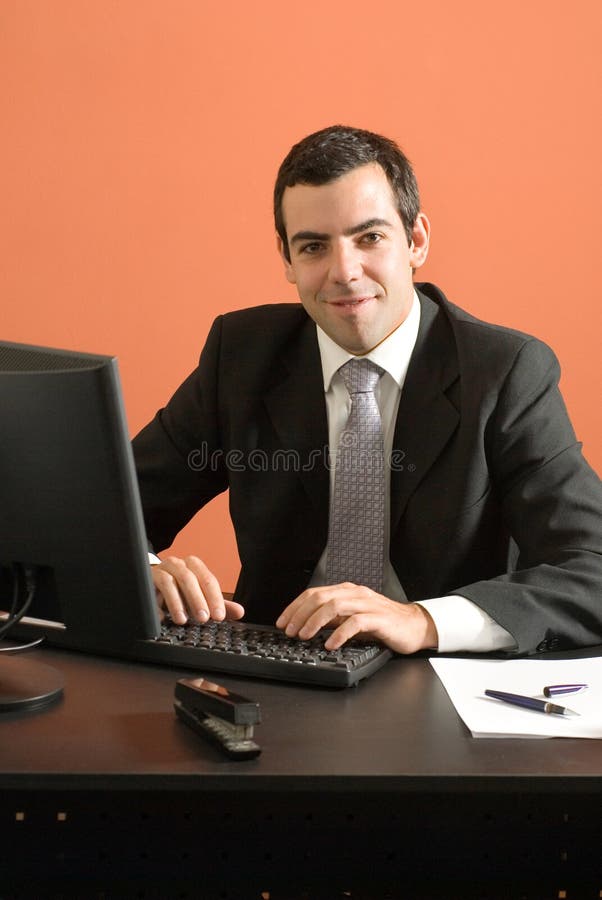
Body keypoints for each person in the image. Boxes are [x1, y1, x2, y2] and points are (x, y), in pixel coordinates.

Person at [132, 124, 602, 657]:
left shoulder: (505, 373)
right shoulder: (241, 356)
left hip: (438, 677)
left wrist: (421, 620)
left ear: (416, 240)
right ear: (287, 259)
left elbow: (592, 568)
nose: (344, 272)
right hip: (278, 666)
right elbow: (107, 511)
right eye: (314, 246)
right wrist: (142, 571)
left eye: (369, 238)